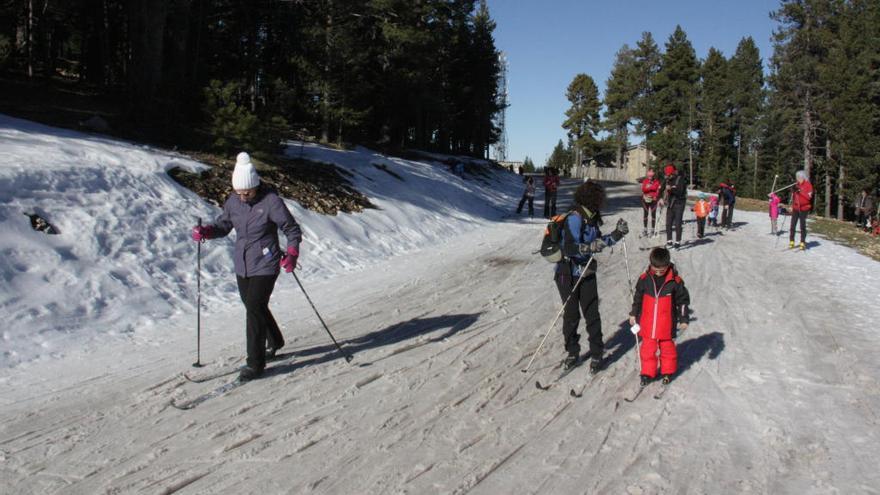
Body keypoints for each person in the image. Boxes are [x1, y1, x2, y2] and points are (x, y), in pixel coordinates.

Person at [191, 152, 303, 381]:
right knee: (253, 305)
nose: (242, 197)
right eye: (239, 192)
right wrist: (207, 232)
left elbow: (292, 229)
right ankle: (275, 340)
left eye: (247, 192)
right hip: (242, 263)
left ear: (256, 186)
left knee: (253, 307)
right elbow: (223, 226)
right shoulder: (233, 202)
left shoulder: (271, 202)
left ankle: (255, 363)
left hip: (266, 262)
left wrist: (291, 253)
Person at [555, 180, 629, 372]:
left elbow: (599, 241)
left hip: (586, 272)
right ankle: (572, 352)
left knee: (592, 314)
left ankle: (597, 353)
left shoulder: (592, 216)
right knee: (571, 315)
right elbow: (570, 247)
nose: (601, 202)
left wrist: (616, 234)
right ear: (592, 199)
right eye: (599, 198)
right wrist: (589, 247)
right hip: (567, 273)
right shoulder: (575, 217)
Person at [629, 247, 690, 386]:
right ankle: (647, 373)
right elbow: (638, 298)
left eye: (661, 270)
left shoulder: (676, 282)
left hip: (666, 324)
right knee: (647, 350)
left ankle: (667, 371)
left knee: (667, 349)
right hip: (648, 323)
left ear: (668, 265)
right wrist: (633, 313)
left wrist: (684, 319)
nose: (657, 273)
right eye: (655, 269)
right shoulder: (645, 279)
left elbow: (683, 302)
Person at [658, 164, 687, 249]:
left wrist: (671, 189)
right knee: (668, 223)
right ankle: (669, 241)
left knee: (677, 223)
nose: (666, 176)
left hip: (679, 203)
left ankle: (677, 242)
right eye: (666, 175)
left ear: (672, 173)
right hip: (670, 204)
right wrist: (660, 198)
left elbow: (680, 192)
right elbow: (661, 189)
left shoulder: (680, 179)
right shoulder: (667, 179)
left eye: (668, 175)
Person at [788, 170, 814, 250]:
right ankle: (791, 241)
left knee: (802, 225)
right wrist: (791, 205)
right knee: (792, 225)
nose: (797, 179)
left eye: (799, 177)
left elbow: (808, 197)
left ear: (803, 177)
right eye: (797, 177)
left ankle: (802, 242)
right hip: (796, 208)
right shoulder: (796, 185)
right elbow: (794, 197)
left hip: (804, 208)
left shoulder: (808, 185)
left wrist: (800, 192)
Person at [640, 169, 661, 236]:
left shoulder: (656, 181)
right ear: (647, 175)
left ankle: (652, 230)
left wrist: (649, 187)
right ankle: (645, 230)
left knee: (653, 214)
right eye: (649, 176)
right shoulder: (645, 181)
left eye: (651, 176)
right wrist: (651, 188)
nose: (650, 178)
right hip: (645, 199)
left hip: (653, 200)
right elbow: (643, 189)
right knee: (645, 214)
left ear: (653, 176)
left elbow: (658, 190)